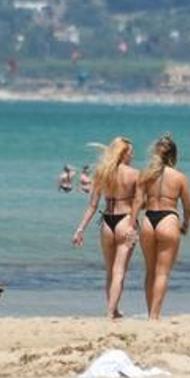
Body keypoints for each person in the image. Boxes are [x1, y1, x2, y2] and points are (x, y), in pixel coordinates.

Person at [73, 137, 138, 319]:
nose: (133, 155)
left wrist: (80, 229)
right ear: (123, 153)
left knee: (110, 271)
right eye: (131, 152)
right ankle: (111, 311)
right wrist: (133, 225)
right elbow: (141, 203)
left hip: (107, 222)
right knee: (119, 271)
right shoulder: (134, 174)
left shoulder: (103, 173)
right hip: (125, 221)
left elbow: (92, 206)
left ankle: (113, 308)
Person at [134, 133, 190, 320]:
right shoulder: (179, 177)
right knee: (162, 273)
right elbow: (187, 207)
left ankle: (150, 310)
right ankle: (154, 315)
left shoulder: (145, 175)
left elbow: (138, 201)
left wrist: (131, 223)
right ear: (174, 155)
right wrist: (185, 224)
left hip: (148, 220)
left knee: (150, 271)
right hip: (169, 219)